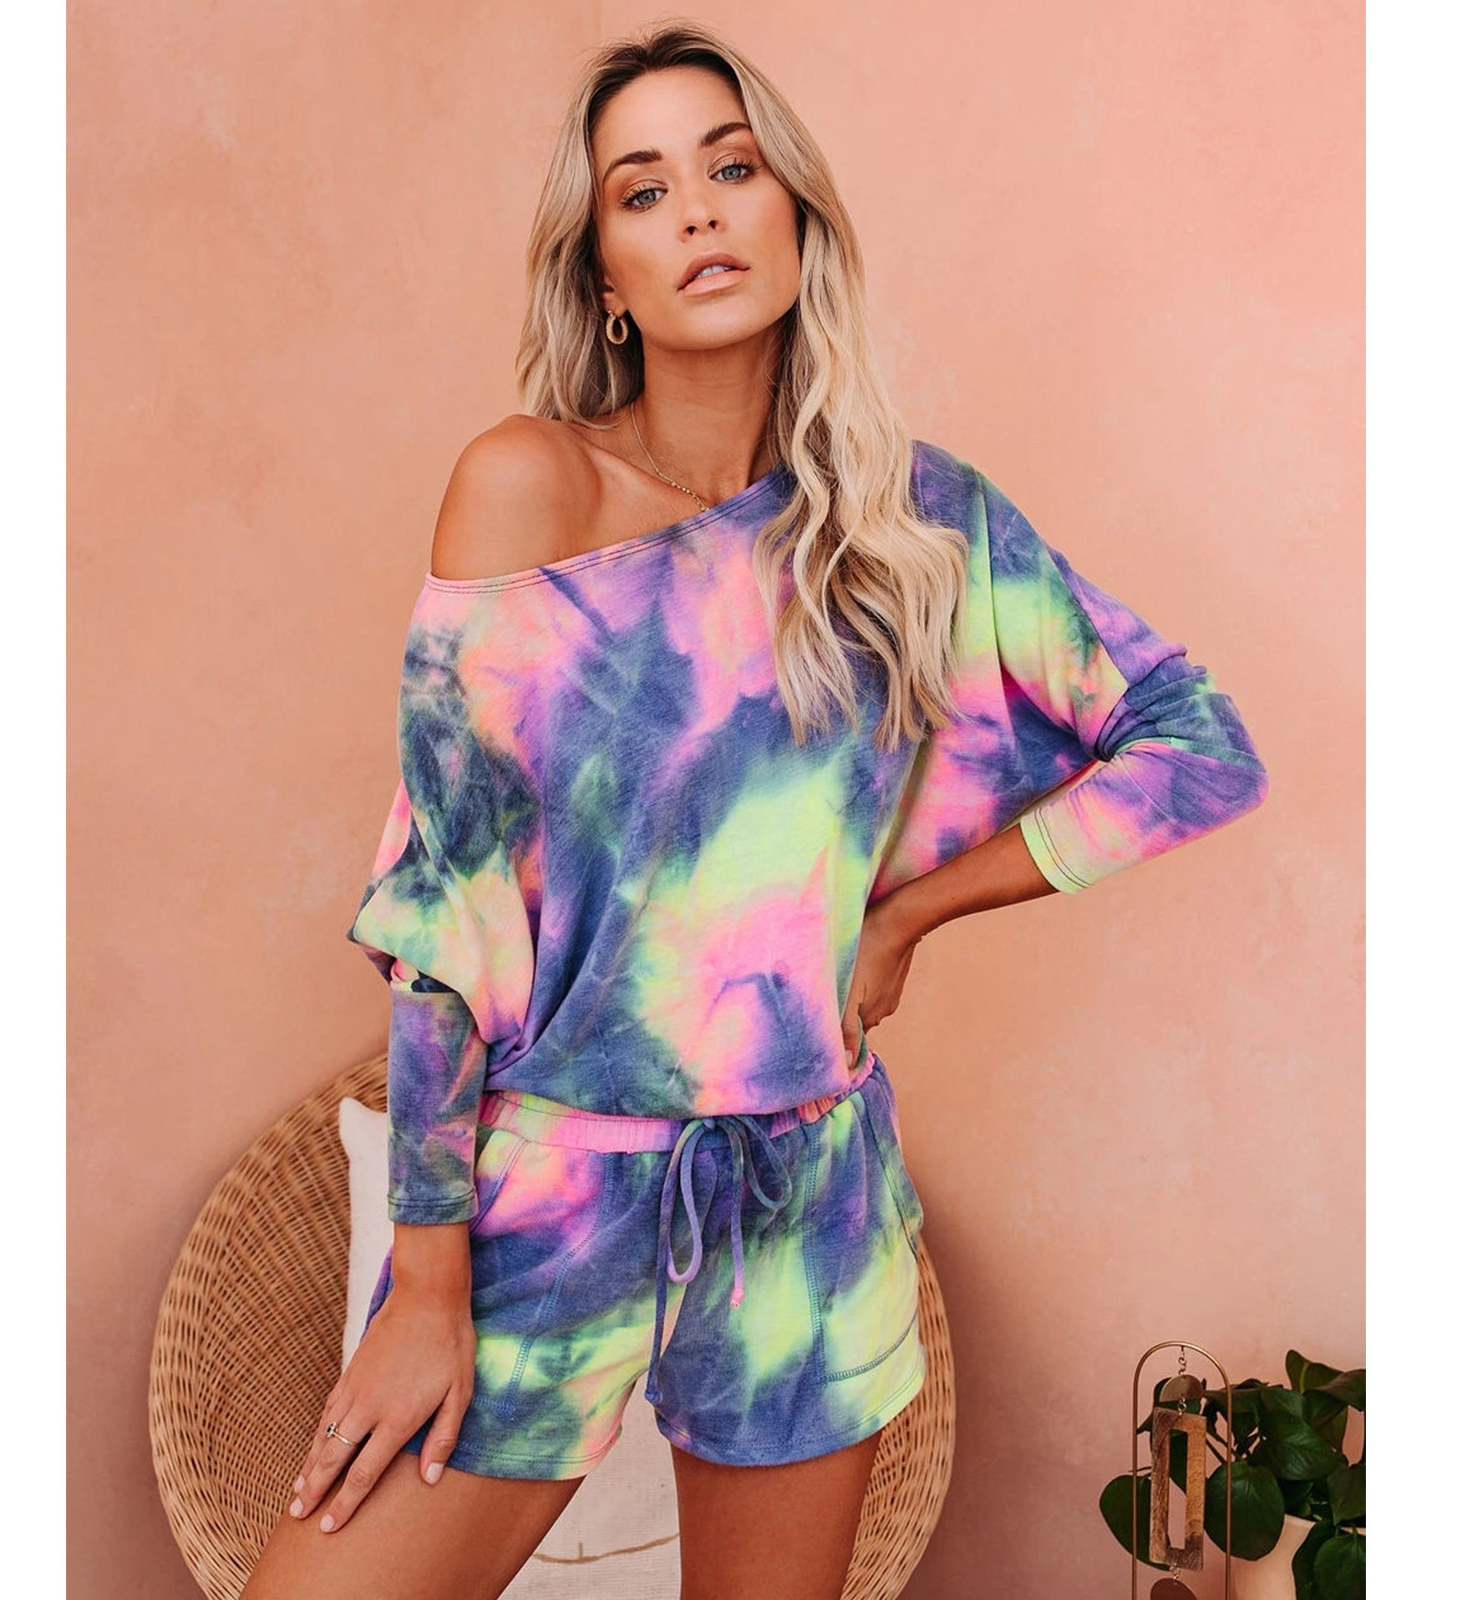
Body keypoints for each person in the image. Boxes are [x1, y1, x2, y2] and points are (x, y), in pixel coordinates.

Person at [241, 21, 1269, 1600]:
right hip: (554, 1197)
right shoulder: (530, 489)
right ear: (605, 275)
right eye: (644, 191)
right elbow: (448, 910)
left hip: (806, 1203)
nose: (701, 211)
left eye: (731, 168)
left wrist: (907, 911)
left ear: (796, 211)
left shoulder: (920, 526)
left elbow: (1196, 744)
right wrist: (431, 1279)